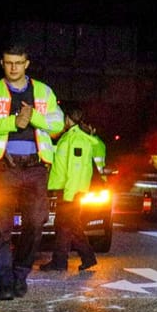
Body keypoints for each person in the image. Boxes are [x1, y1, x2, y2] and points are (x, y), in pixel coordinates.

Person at [0, 46, 66, 300]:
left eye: (18, 63)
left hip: (36, 168)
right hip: (4, 168)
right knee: (1, 227)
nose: (13, 67)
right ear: (2, 63)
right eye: (9, 63)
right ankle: (3, 281)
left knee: (36, 224)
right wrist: (13, 122)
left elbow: (58, 122)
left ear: (27, 63)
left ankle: (19, 274)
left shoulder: (43, 91)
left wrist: (33, 116)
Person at [40, 103, 106, 273]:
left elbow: (76, 170)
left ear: (68, 119)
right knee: (68, 225)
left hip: (71, 191)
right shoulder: (70, 136)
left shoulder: (77, 139)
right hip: (67, 190)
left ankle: (61, 262)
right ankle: (81, 258)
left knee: (64, 225)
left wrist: (68, 195)